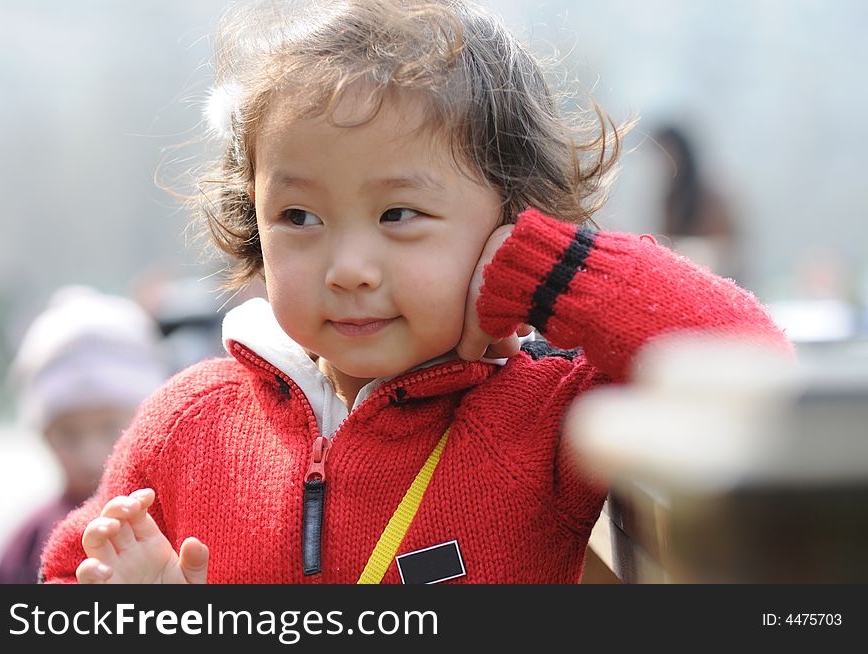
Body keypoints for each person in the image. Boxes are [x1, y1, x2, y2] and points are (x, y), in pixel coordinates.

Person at [39, 0, 790, 584]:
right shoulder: (185, 426)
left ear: (510, 216)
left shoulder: (544, 422)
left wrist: (544, 266)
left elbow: (751, 367)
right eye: (298, 216)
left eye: (399, 214)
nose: (349, 267)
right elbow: (67, 575)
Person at [0, 286, 167, 583]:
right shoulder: (28, 542)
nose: (90, 454)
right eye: (69, 435)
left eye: (110, 429)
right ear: (43, 436)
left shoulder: (168, 531)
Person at [653, 125, 742, 282]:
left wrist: (692, 249)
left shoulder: (711, 196)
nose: (663, 162)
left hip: (714, 280)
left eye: (667, 153)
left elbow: (727, 247)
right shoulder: (670, 199)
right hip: (679, 279)